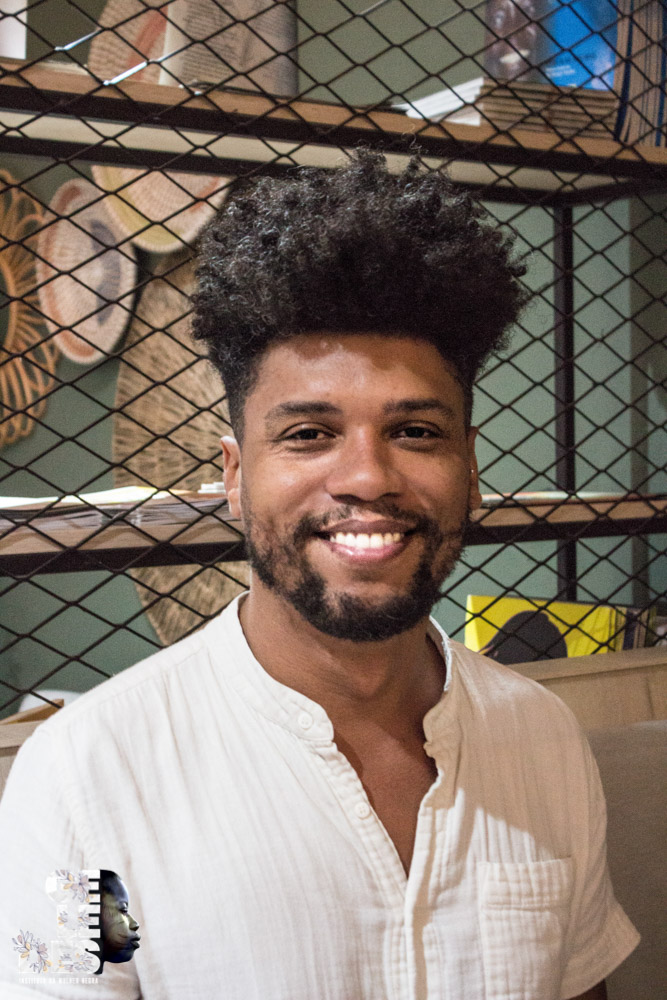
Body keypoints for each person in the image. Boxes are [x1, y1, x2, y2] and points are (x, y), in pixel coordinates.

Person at [0, 151, 638, 998]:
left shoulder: (540, 736)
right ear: (234, 475)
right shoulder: (86, 777)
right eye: (307, 434)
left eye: (415, 432)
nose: (367, 477)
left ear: (470, 467)